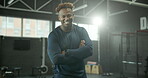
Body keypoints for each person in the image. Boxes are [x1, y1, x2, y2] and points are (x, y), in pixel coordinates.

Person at [47, 2, 93, 78]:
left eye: (69, 15)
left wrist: (67, 52)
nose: (66, 18)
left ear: (73, 16)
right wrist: (79, 51)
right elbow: (55, 59)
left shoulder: (81, 31)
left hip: (80, 75)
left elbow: (90, 50)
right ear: (59, 18)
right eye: (63, 16)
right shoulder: (53, 35)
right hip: (61, 76)